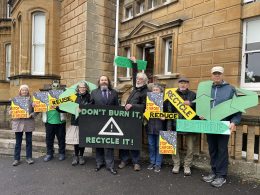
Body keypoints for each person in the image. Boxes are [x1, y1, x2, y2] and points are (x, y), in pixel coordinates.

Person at [201, 66, 241, 187]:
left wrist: (234, 121)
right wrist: (202, 114)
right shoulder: (207, 89)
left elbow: (237, 107)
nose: (216, 76)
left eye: (219, 74)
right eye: (214, 74)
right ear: (211, 75)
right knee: (212, 149)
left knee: (222, 150)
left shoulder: (230, 89)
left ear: (222, 75)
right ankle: (213, 172)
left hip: (224, 125)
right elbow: (203, 104)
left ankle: (221, 175)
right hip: (210, 124)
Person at [118, 72, 149, 171]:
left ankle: (136, 162)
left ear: (144, 81)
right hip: (128, 119)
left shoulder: (146, 91)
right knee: (124, 139)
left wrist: (133, 106)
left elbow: (145, 106)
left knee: (135, 140)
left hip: (137, 120)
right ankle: (124, 160)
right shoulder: (135, 89)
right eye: (137, 78)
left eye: (140, 79)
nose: (138, 80)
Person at [167, 77, 197, 176]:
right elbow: (169, 111)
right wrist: (169, 126)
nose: (183, 85)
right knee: (174, 146)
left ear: (188, 85)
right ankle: (176, 164)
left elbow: (199, 107)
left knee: (191, 147)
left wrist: (191, 104)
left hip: (190, 125)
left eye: (185, 83)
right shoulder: (173, 95)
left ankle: (187, 165)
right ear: (178, 84)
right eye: (181, 83)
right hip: (176, 124)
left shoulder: (193, 95)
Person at [90, 75, 119, 175]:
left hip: (110, 123)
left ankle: (110, 165)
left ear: (108, 81)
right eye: (102, 80)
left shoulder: (114, 92)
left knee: (109, 144)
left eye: (105, 80)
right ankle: (99, 163)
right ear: (99, 82)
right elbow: (90, 105)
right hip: (98, 122)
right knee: (98, 143)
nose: (104, 81)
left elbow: (117, 107)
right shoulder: (94, 92)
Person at [65, 81, 91, 166]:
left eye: (84, 87)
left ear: (86, 88)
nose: (82, 89)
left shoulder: (90, 97)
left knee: (82, 140)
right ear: (78, 88)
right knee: (76, 140)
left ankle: (81, 156)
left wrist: (84, 108)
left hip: (85, 121)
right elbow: (66, 107)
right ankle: (75, 156)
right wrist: (57, 108)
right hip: (75, 121)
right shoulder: (74, 97)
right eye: (80, 87)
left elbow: (93, 107)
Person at [11, 84, 36, 166]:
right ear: (20, 91)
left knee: (29, 141)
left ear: (28, 91)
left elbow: (37, 111)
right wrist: (10, 111)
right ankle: (16, 159)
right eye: (23, 90)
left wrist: (32, 113)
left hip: (28, 123)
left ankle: (29, 158)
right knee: (18, 142)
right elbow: (11, 109)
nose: (24, 91)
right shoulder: (15, 100)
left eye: (26, 90)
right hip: (18, 123)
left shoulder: (31, 101)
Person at [42, 82, 66, 162]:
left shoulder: (63, 96)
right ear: (51, 86)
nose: (55, 87)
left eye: (57, 86)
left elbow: (67, 108)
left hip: (60, 122)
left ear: (59, 87)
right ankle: (49, 153)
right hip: (49, 121)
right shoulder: (45, 96)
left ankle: (62, 153)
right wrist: (35, 105)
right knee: (49, 139)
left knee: (61, 138)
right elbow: (39, 106)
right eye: (53, 86)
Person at [146, 83, 166, 173]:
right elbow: (145, 116)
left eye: (156, 90)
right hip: (150, 127)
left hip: (160, 127)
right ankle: (152, 162)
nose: (155, 91)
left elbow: (170, 114)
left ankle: (158, 164)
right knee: (151, 145)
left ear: (161, 91)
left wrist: (164, 117)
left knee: (159, 146)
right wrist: (146, 112)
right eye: (153, 90)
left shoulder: (165, 101)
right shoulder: (148, 101)